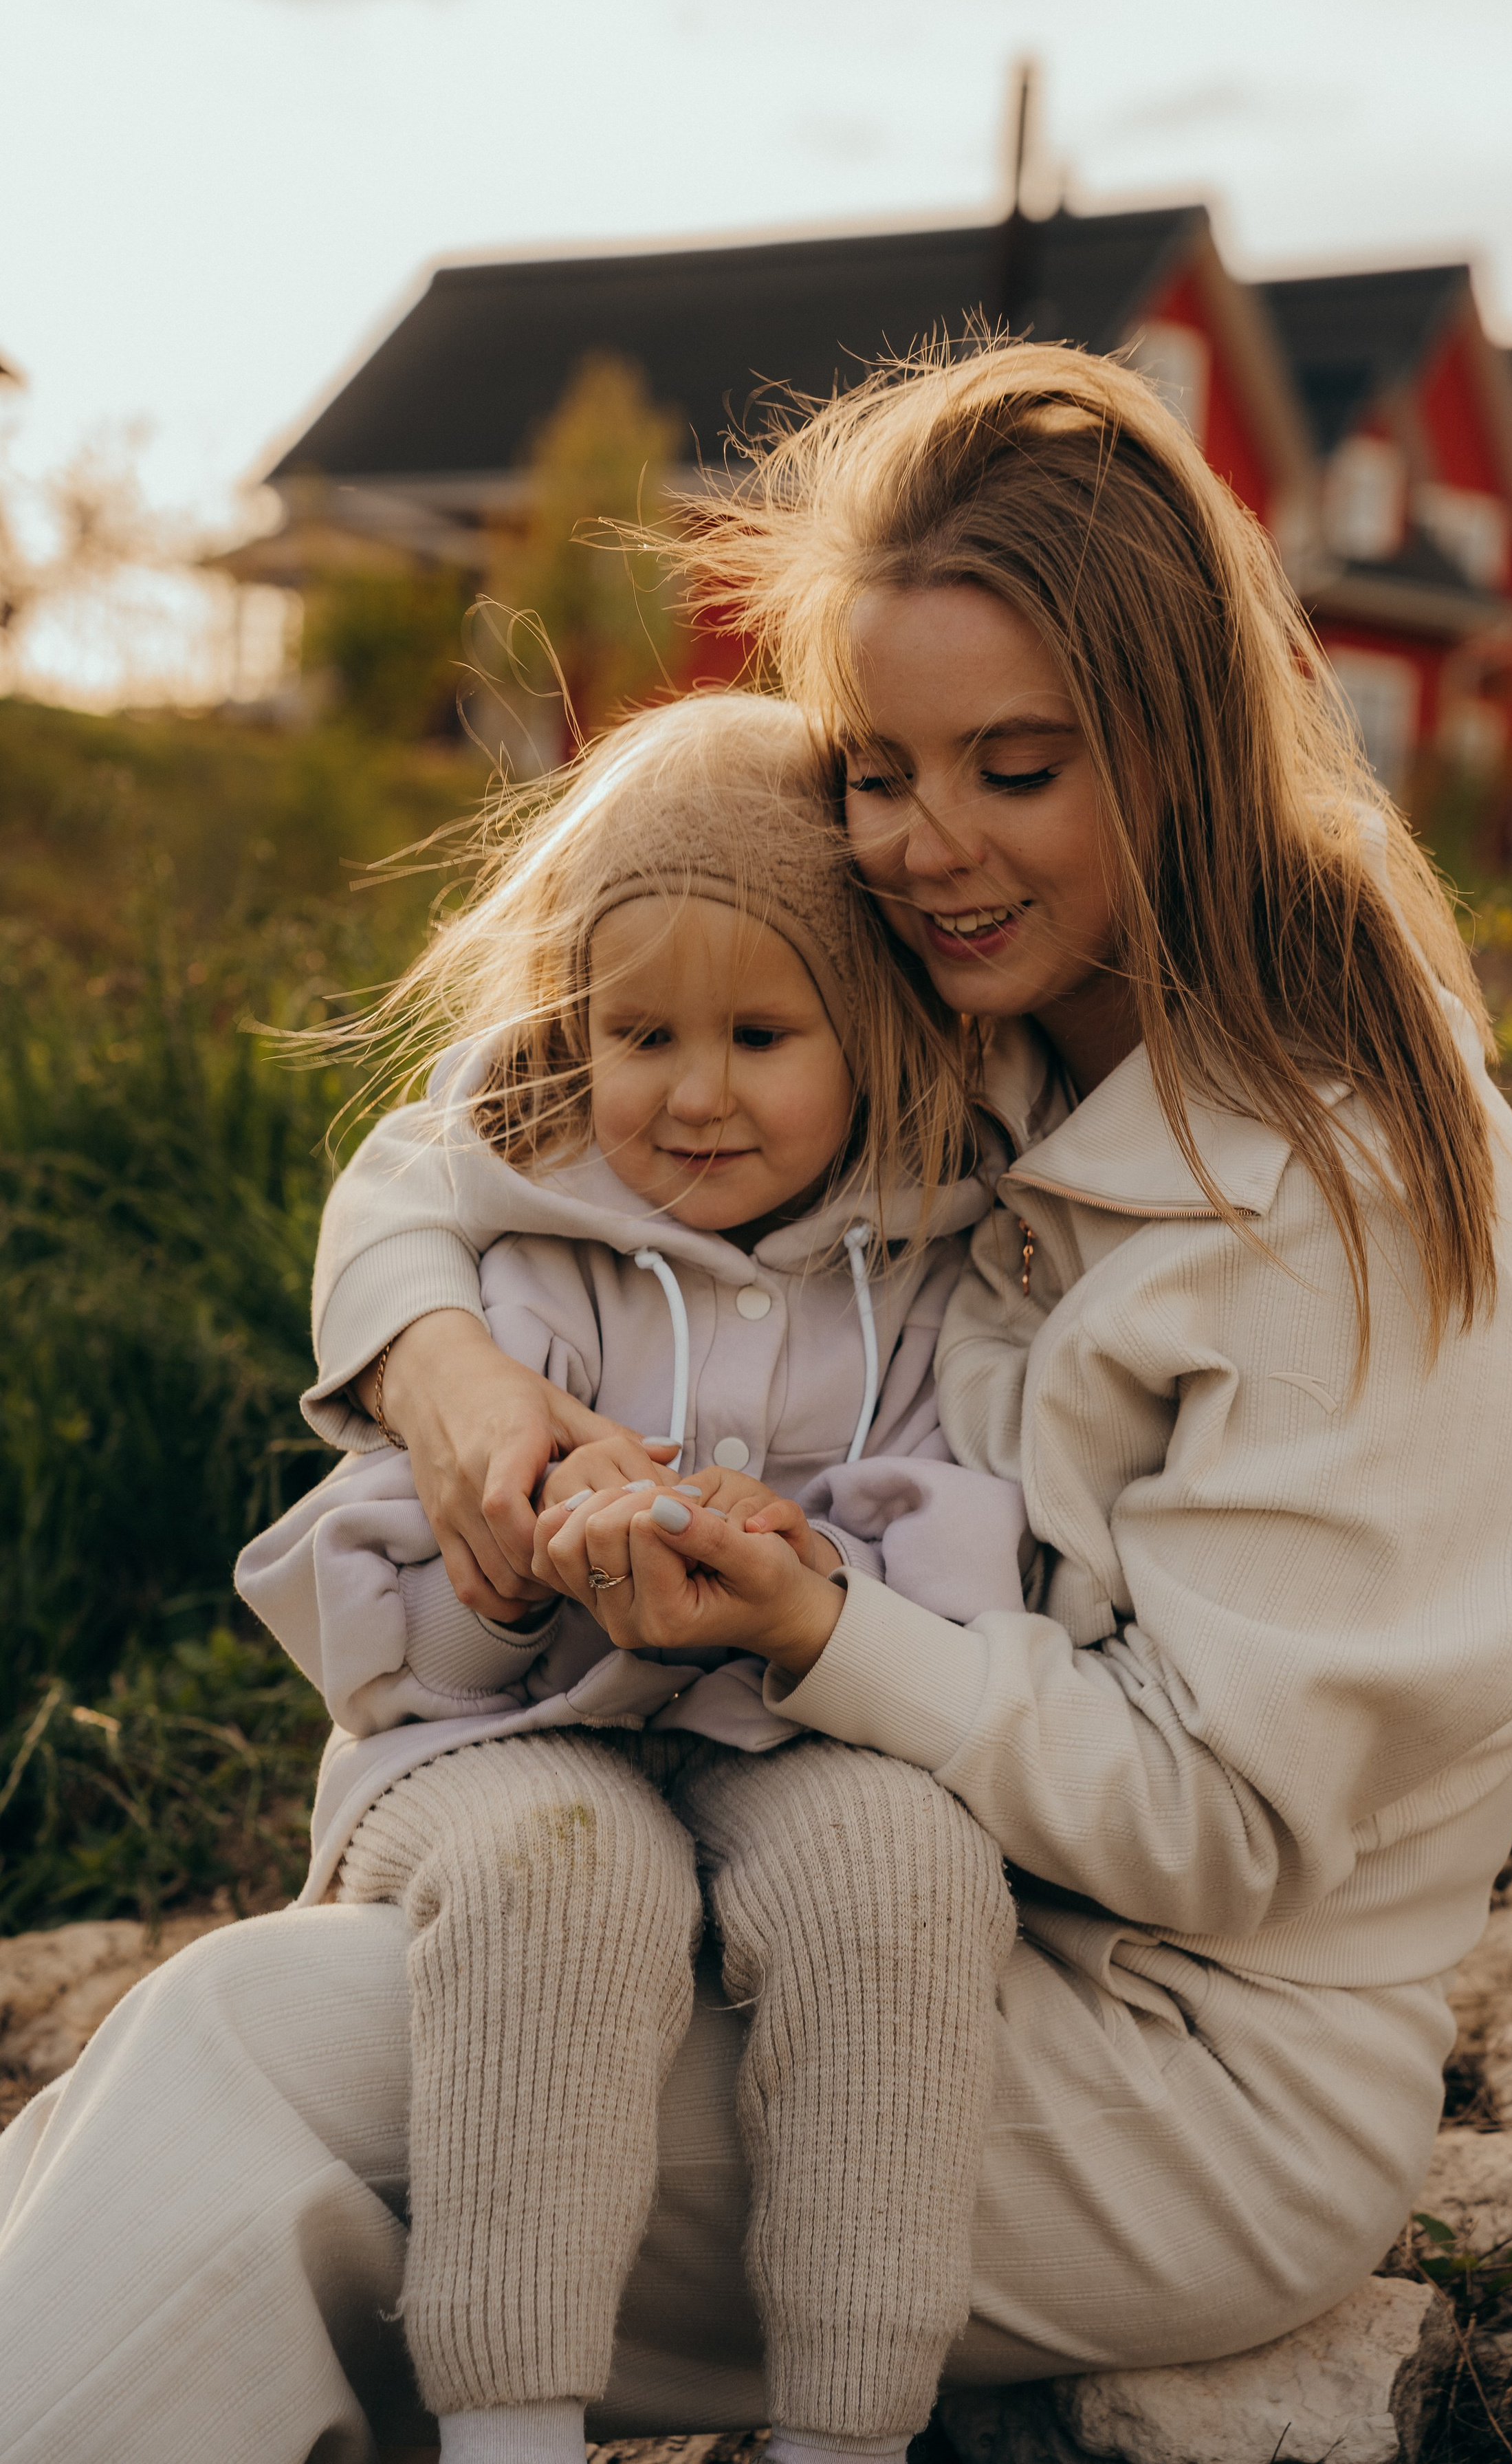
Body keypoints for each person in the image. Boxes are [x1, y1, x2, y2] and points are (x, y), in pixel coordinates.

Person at [0, 340, 1512, 2464]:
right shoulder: (992, 997)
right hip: (825, 1891)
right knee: (199, 2092)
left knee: (264, 2073)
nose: (927, 846)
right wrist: (451, 1368)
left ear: (1185, 751)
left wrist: (823, 1631)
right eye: (879, 769)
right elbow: (473, 1131)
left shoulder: (1358, 1200)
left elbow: (1222, 1830)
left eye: (1017, 768)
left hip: (1183, 2075)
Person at [234, 692, 1025, 2464]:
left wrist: (811, 1572)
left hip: (787, 1735)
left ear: (870, 1031)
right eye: (641, 1033)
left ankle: (851, 2425)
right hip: (494, 1748)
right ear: (574, 1028)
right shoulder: (528, 1254)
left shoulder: (930, 1272)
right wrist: (515, 1576)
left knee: (906, 1873)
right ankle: (508, 2422)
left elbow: (961, 1578)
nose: (695, 1090)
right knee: (566, 1876)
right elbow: (411, 1672)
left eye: (762, 1034)